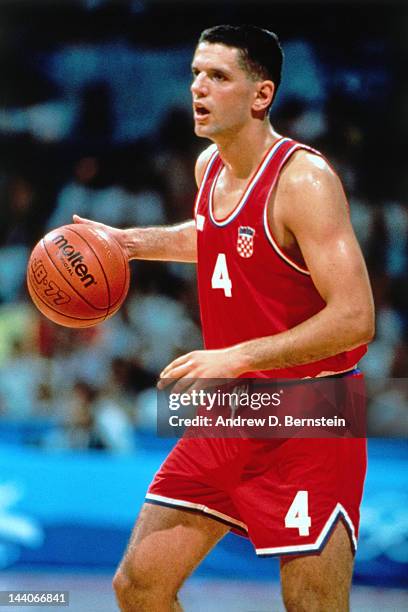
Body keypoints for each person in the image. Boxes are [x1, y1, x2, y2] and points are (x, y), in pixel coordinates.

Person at [74, 24, 374, 612]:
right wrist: (129, 242)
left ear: (261, 95)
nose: (198, 89)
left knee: (312, 603)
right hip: (234, 410)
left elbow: (357, 318)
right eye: (194, 74)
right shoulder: (209, 165)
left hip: (314, 412)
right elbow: (221, 237)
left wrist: (238, 354)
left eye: (218, 76)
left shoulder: (305, 181)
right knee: (138, 586)